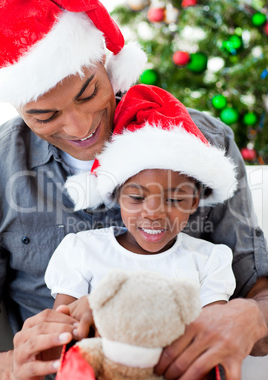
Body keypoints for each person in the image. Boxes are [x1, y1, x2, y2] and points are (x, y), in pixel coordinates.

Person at [0, 0, 267, 380]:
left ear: (107, 63)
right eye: (45, 116)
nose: (81, 126)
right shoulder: (5, 164)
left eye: (88, 92)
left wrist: (252, 318)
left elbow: (257, 294)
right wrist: (9, 371)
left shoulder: (203, 142)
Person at [45, 84, 237, 315]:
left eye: (175, 200)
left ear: (195, 201)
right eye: (136, 198)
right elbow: (60, 335)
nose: (153, 213)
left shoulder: (208, 261)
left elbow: (213, 336)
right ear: (117, 196)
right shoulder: (83, 252)